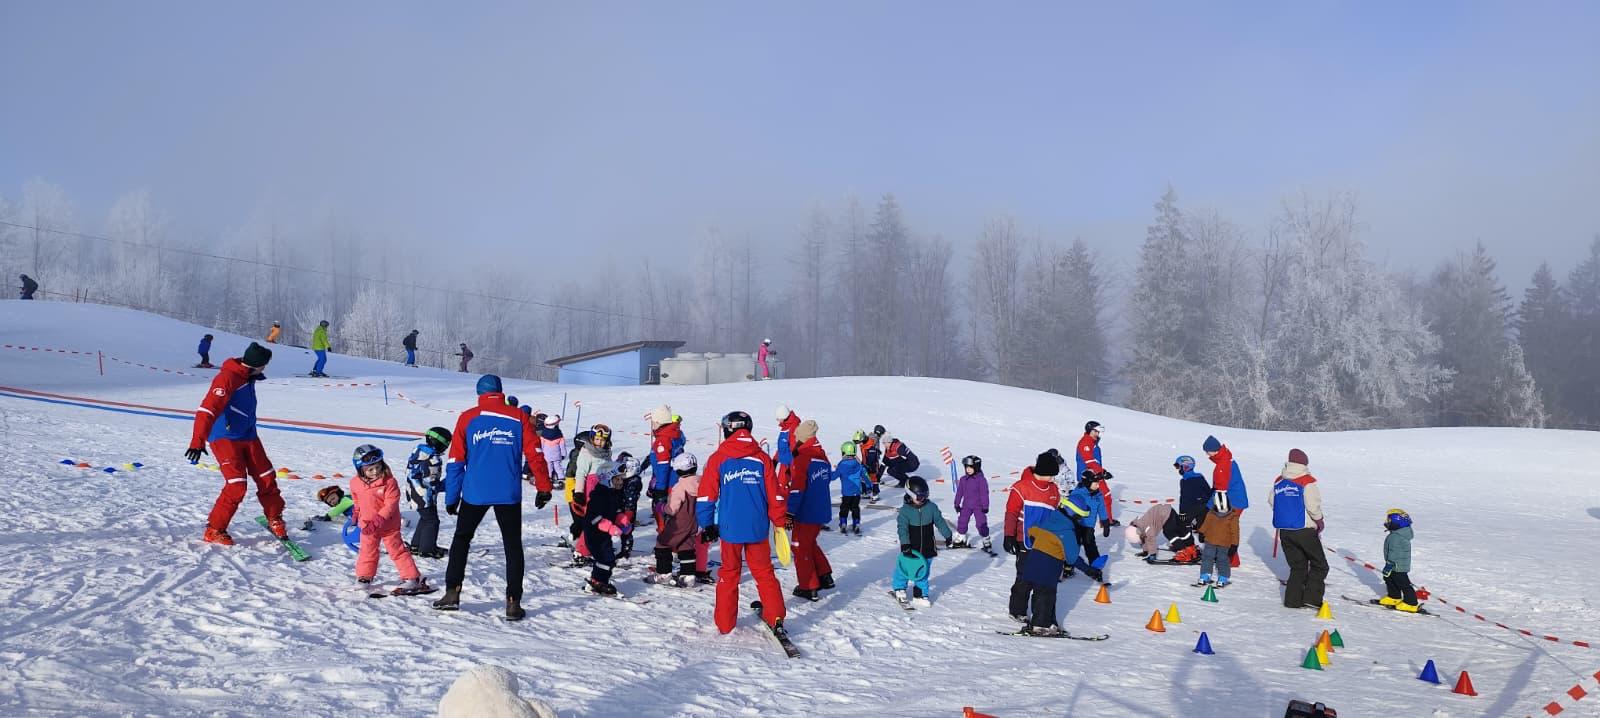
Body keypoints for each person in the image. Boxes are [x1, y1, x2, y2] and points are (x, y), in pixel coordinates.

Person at [432, 374, 552, 621]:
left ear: (479, 393)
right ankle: (513, 603)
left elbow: (455, 461)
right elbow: (535, 454)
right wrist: (544, 487)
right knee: (512, 545)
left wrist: (452, 497)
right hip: (508, 493)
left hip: (475, 492)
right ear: (500, 391)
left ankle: (452, 593)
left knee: (461, 540)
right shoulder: (518, 417)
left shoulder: (468, 418)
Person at [696, 410, 788, 636]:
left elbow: (706, 495)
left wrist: (706, 524)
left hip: (730, 529)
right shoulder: (762, 459)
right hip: (757, 527)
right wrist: (779, 522)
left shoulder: (718, 458)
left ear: (728, 430)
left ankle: (725, 623)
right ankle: (776, 616)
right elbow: (775, 495)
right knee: (764, 572)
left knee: (729, 573)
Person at [185, 342, 286, 545]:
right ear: (256, 365)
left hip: (248, 435)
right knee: (237, 485)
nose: (265, 369)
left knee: (266, 477)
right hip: (225, 437)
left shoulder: (247, 376)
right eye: (264, 365)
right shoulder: (227, 378)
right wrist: (197, 442)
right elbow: (207, 410)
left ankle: (274, 518)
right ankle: (214, 529)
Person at [349, 445, 429, 594]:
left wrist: (378, 520)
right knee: (367, 551)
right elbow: (357, 500)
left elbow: (390, 504)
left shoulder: (390, 482)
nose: (375, 471)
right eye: (370, 469)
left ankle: (412, 578)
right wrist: (356, 513)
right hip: (367, 526)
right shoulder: (355, 483)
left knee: (397, 551)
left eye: (378, 467)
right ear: (361, 469)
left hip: (388, 526)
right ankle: (364, 577)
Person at [1269, 448, 1327, 610]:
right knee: (1320, 564)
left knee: (1298, 566)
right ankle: (1312, 599)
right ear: (1304, 463)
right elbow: (1313, 506)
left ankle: (1292, 601)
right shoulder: (1307, 481)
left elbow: (1272, 501)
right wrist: (1319, 520)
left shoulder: (1279, 480)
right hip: (1305, 530)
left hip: (1285, 531)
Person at [1009, 506, 1080, 634]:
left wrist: (1039, 544)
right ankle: (1040, 625)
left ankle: (1048, 622)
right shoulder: (1067, 532)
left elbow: (1031, 530)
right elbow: (1072, 558)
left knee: (1039, 594)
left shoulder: (1048, 521)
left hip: (1032, 563)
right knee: (1045, 596)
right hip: (1048, 570)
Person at [787, 420, 835, 601]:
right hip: (821, 509)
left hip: (806, 511)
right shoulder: (822, 458)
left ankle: (808, 586)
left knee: (799, 547)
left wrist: (790, 512)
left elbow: (797, 489)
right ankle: (824, 575)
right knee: (810, 542)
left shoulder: (803, 458)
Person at [894, 477, 954, 607]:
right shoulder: (905, 511)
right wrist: (905, 544)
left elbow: (940, 522)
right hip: (911, 548)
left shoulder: (931, 507)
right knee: (905, 569)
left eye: (925, 496)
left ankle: (920, 595)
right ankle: (899, 588)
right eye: (919, 497)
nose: (922, 500)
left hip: (927, 547)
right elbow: (902, 529)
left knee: (923, 572)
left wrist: (948, 535)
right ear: (910, 494)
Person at [579, 461, 632, 595]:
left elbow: (616, 510)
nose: (621, 482)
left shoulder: (615, 493)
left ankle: (599, 580)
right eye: (617, 479)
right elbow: (593, 518)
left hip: (604, 535)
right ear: (607, 479)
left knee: (608, 558)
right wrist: (609, 527)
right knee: (605, 558)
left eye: (621, 479)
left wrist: (622, 519)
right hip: (594, 534)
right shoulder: (599, 495)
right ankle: (598, 581)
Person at [651, 452, 703, 586]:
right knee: (687, 545)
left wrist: (662, 508)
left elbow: (672, 508)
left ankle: (663, 574)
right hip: (695, 521)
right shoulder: (701, 482)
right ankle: (688, 576)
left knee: (663, 542)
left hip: (679, 522)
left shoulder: (680, 487)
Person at [565, 424, 613, 563]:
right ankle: (581, 551)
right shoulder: (587, 452)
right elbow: (580, 473)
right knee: (593, 521)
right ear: (592, 438)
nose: (599, 442)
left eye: (602, 440)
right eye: (597, 439)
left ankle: (595, 546)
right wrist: (579, 493)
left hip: (603, 490)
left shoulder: (606, 452)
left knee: (602, 520)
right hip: (590, 492)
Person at [1202, 435, 1250, 568]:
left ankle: (1230, 560)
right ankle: (1230, 559)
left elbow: (1220, 490)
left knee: (1226, 529)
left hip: (1233, 501)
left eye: (1207, 451)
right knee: (1227, 529)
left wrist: (1208, 506)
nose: (1207, 455)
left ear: (1213, 450)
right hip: (1236, 499)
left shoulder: (1222, 465)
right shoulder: (1227, 458)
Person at [405, 426, 452, 559]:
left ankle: (416, 545)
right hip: (423, 495)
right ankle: (427, 549)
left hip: (413, 491)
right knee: (432, 521)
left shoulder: (419, 451)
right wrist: (447, 484)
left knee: (425, 518)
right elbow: (432, 482)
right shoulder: (433, 458)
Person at [1061, 471, 1107, 582]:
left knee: (1091, 547)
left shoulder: (1098, 495)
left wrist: (1105, 521)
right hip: (1077, 525)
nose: (1098, 485)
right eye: (1095, 483)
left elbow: (1102, 508)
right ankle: (1068, 567)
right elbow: (1070, 507)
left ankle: (1095, 569)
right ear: (1087, 483)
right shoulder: (1077, 493)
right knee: (1073, 546)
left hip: (1089, 526)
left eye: (1098, 483)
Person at [646, 404, 682, 527]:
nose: (652, 425)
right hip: (675, 479)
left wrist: (660, 489)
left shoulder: (663, 440)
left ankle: (664, 533)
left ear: (659, 422)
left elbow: (663, 466)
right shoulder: (675, 434)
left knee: (662, 510)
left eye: (654, 422)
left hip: (667, 483)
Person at [1076, 421, 1117, 527]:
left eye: (1098, 432)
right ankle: (1105, 520)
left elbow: (1095, 461)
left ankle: (1106, 520)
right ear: (1090, 430)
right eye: (1095, 431)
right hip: (1090, 476)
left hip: (1096, 474)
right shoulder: (1086, 443)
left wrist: (1102, 471)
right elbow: (1089, 461)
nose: (1097, 434)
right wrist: (1102, 473)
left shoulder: (1092, 443)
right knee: (1101, 496)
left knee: (1100, 496)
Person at [1378, 509, 1420, 613]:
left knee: (1403, 583)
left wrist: (1392, 564)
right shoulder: (1395, 534)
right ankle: (1394, 597)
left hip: (1398, 565)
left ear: (1397, 523)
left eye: (1389, 521)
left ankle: (1411, 603)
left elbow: (1397, 552)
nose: (1387, 523)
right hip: (1392, 564)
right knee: (1388, 578)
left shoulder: (1398, 537)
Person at [1197, 498, 1240, 587]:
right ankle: (1216, 577)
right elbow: (1206, 524)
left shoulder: (1213, 513)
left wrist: (1234, 545)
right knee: (1216, 559)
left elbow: (1235, 532)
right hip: (1217, 541)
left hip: (1217, 541)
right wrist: (1201, 532)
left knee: (1215, 558)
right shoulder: (1231, 516)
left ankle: (1211, 576)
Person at [952, 455, 992, 551]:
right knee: (962, 521)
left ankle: (986, 539)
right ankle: (961, 537)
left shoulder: (981, 480)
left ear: (976, 468)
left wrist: (985, 506)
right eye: (966, 467)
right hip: (966, 505)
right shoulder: (963, 479)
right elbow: (959, 493)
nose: (968, 470)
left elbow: (984, 494)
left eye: (970, 467)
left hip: (979, 506)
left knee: (981, 523)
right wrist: (957, 504)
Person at [833, 440, 869, 535]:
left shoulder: (842, 465)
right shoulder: (858, 464)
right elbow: (865, 475)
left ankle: (843, 523)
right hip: (857, 492)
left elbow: (833, 476)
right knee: (855, 508)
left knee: (844, 508)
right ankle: (856, 524)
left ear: (844, 452)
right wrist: (869, 486)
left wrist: (826, 475)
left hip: (846, 493)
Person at [615, 453, 644, 559]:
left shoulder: (633, 482)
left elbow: (631, 498)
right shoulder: (627, 480)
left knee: (626, 531)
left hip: (628, 510)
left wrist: (629, 512)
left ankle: (626, 550)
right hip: (622, 507)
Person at [773, 404, 801, 488]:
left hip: (789, 466)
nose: (778, 420)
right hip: (783, 465)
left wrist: (790, 469)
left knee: (785, 488)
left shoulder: (794, 427)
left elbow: (795, 449)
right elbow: (782, 448)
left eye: (778, 418)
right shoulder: (784, 428)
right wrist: (775, 460)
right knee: (780, 487)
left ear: (784, 416)